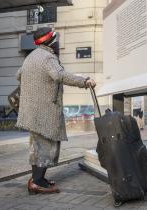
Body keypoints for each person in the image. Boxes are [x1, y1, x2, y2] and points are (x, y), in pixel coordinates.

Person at [16, 27, 96, 194]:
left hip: (31, 111)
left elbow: (19, 75)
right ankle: (37, 182)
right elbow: (60, 75)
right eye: (56, 40)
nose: (58, 43)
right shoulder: (47, 58)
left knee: (37, 146)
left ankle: (38, 179)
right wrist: (85, 81)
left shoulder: (30, 57)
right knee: (48, 146)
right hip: (44, 111)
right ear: (50, 42)